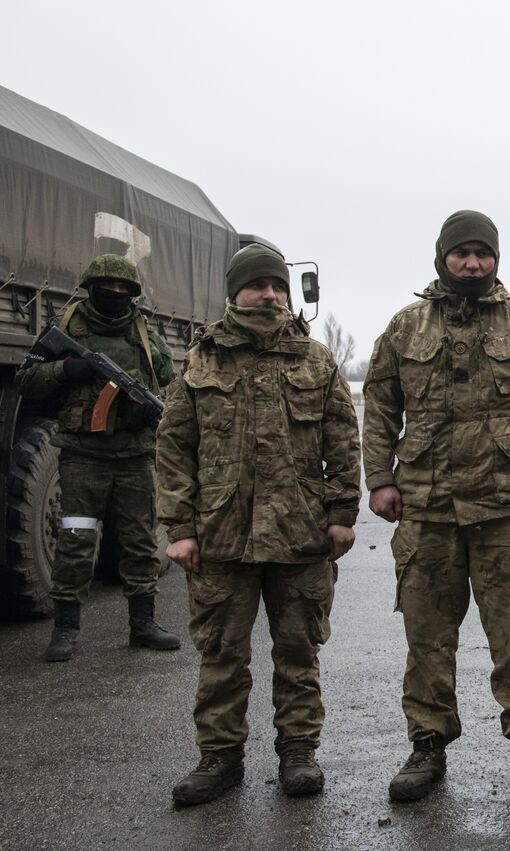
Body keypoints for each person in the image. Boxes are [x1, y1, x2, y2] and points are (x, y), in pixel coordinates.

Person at [362, 211, 510, 802]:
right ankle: (427, 745)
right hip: (427, 508)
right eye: (462, 254)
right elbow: (378, 408)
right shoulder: (405, 328)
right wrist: (380, 478)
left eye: (483, 253)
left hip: (506, 508)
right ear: (442, 258)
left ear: (496, 260)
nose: (473, 263)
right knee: (427, 636)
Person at [156, 243, 361, 805]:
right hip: (222, 539)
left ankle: (298, 753)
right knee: (222, 655)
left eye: (277, 286)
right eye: (257, 286)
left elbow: (343, 441)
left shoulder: (314, 360)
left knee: (299, 653)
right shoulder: (201, 361)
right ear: (235, 292)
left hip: (300, 537)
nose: (269, 295)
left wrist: (342, 515)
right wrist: (181, 529)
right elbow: (174, 448)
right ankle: (219, 759)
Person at [17, 254, 179, 662]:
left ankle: (143, 624)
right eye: (109, 287)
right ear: (92, 287)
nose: (117, 294)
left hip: (134, 455)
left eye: (125, 289)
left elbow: (169, 382)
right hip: (82, 455)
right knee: (74, 540)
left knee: (141, 542)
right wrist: (65, 371)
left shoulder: (144, 331)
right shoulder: (68, 327)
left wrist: (148, 407)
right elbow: (26, 380)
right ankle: (66, 628)